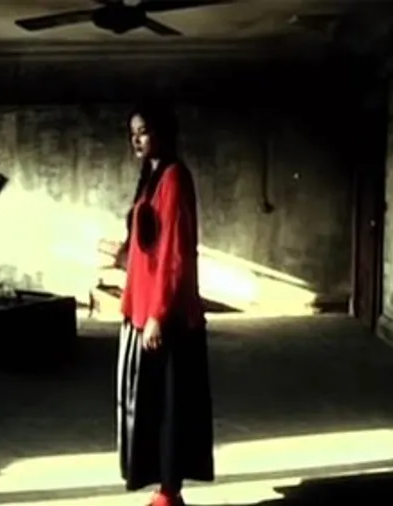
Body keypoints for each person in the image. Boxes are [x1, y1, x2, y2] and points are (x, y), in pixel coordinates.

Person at [116, 102, 214, 506]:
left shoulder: (174, 177)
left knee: (169, 405)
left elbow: (175, 252)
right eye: (132, 133)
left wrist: (157, 315)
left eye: (143, 131)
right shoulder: (152, 178)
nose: (136, 139)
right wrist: (122, 254)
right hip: (143, 307)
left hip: (166, 314)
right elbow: (149, 243)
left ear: (162, 132)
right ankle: (163, 488)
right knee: (151, 404)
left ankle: (170, 492)